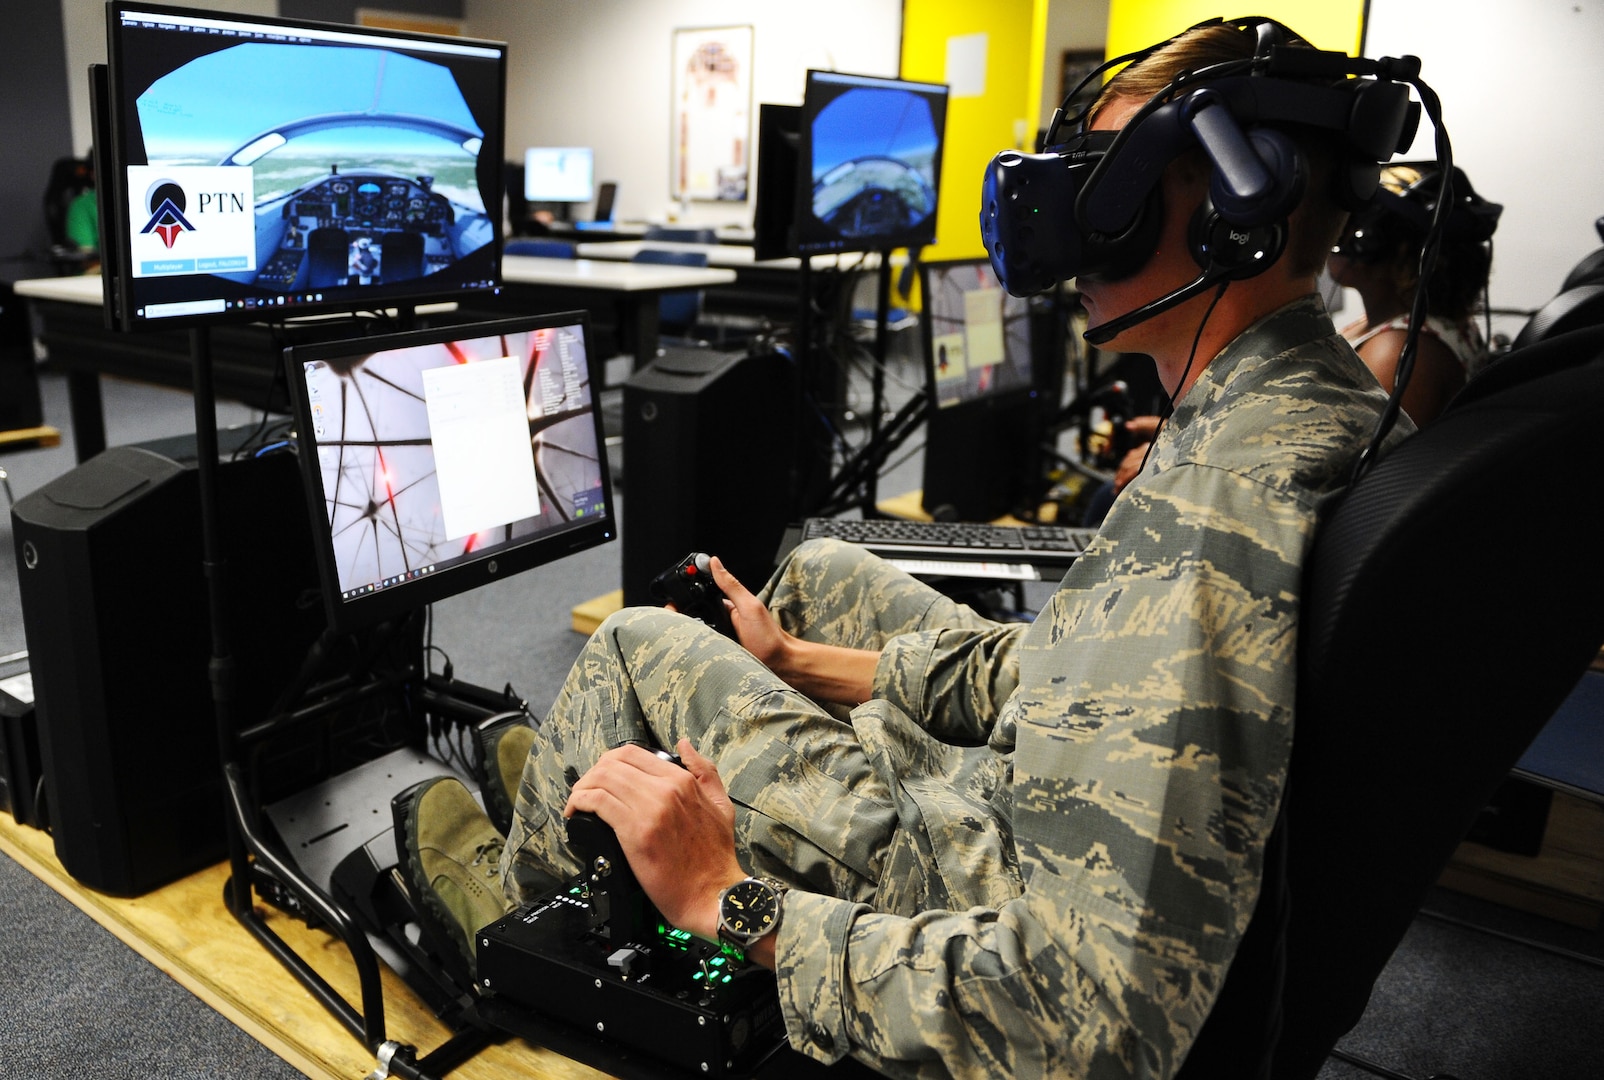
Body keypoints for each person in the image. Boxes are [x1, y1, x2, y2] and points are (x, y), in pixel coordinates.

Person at [401, 19, 1417, 1077]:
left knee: (633, 645)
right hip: (1042, 791)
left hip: (978, 883)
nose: (1073, 220)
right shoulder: (1308, 402)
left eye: (1105, 187)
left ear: (1229, 218)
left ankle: (512, 922)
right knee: (826, 571)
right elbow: (1080, 673)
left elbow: (1089, 1015)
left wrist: (727, 901)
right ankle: (613, 776)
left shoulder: (1212, 510)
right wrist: (804, 666)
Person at [1328, 162, 1502, 425]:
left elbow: (1356, 462)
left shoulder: (1396, 353)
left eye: (1352, 220)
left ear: (1371, 242)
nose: (1337, 228)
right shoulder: (1407, 325)